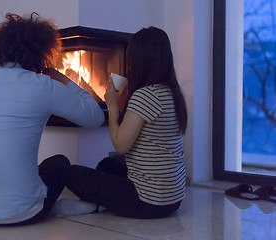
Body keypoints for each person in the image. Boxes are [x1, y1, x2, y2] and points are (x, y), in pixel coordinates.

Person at [0, 12, 104, 226]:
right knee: (59, 163)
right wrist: (61, 78)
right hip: (26, 214)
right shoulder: (43, 85)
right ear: (40, 52)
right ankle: (49, 207)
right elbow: (95, 117)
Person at [64, 27, 187, 219]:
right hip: (172, 198)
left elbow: (121, 146)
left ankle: (91, 204)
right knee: (107, 165)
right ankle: (95, 202)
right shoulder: (172, 92)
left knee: (70, 173)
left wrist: (112, 105)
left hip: (147, 201)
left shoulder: (146, 95)